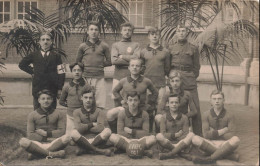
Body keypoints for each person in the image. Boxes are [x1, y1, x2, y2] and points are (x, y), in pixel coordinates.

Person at [169, 23, 202, 136]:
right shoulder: (171, 48)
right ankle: (176, 134)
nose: (181, 33)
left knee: (195, 107)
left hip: (189, 79)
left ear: (186, 33)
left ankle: (198, 135)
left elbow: (196, 67)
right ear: (176, 33)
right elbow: (168, 66)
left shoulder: (193, 48)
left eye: (183, 31)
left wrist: (190, 76)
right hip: (175, 80)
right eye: (179, 31)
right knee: (175, 106)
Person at [109, 58, 158, 132]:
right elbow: (115, 91)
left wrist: (149, 103)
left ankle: (148, 132)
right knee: (110, 114)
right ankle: (115, 132)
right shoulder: (123, 81)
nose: (134, 67)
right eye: (132, 65)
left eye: (137, 66)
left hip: (141, 108)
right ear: (129, 68)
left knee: (150, 113)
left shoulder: (146, 81)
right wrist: (121, 100)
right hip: (127, 108)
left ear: (141, 68)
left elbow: (155, 92)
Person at [19, 31, 65, 110]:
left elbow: (61, 72)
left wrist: (59, 88)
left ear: (51, 42)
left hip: (52, 87)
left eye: (47, 39)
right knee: (37, 111)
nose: (45, 42)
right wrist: (33, 71)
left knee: (52, 111)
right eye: (43, 39)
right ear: (39, 42)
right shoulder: (34, 55)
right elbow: (21, 64)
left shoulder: (57, 56)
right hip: (38, 87)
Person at [191, 90, 240, 164]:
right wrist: (223, 130)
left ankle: (208, 158)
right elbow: (206, 135)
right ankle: (228, 155)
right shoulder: (206, 114)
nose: (217, 101)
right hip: (211, 142)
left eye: (219, 99)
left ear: (223, 100)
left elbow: (231, 135)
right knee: (194, 139)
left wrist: (213, 132)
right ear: (210, 101)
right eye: (214, 99)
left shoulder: (230, 115)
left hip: (224, 143)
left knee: (236, 139)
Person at [19, 89, 70, 160]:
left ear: (52, 100)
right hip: (38, 143)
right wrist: (45, 138)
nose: (46, 101)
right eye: (43, 99)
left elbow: (62, 131)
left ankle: (38, 154)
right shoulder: (32, 115)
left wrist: (46, 133)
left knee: (67, 137)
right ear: (39, 100)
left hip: (54, 142)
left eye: (48, 98)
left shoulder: (59, 114)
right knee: (23, 141)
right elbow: (30, 134)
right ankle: (52, 154)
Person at [108, 91, 156, 158]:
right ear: (127, 101)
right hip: (126, 139)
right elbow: (120, 132)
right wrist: (136, 133)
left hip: (139, 140)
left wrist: (131, 131)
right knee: (112, 137)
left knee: (152, 138)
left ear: (139, 101)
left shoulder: (144, 114)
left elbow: (146, 133)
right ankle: (143, 151)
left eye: (135, 100)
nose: (133, 103)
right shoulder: (122, 113)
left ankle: (124, 149)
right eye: (130, 100)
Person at [76, 21, 111, 109]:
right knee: (86, 100)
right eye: (91, 29)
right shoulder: (82, 46)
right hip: (86, 77)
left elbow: (109, 61)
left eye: (96, 30)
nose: (93, 32)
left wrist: (99, 64)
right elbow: (78, 61)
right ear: (87, 31)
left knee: (100, 101)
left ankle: (97, 120)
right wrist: (85, 65)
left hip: (99, 77)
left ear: (99, 32)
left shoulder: (104, 46)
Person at [140, 27, 171, 127]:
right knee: (148, 107)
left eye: (156, 34)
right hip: (147, 85)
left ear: (159, 36)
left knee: (160, 108)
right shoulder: (143, 51)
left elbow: (167, 69)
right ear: (148, 36)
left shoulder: (165, 52)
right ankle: (148, 131)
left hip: (160, 84)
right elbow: (141, 68)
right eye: (152, 34)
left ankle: (158, 131)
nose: (154, 36)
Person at [70, 89, 113, 156]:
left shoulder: (99, 111)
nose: (88, 100)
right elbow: (78, 128)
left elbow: (100, 128)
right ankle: (98, 150)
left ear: (93, 99)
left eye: (90, 98)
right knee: (73, 133)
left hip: (96, 138)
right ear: (81, 98)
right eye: (86, 97)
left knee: (108, 131)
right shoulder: (76, 112)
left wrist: (83, 127)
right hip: (82, 138)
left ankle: (84, 149)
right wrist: (92, 124)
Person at [156, 94, 195, 160]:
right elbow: (163, 133)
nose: (174, 104)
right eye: (171, 102)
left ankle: (169, 154)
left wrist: (178, 140)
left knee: (191, 134)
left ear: (179, 104)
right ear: (168, 104)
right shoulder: (164, 117)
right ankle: (180, 153)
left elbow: (185, 134)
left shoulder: (184, 117)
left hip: (180, 143)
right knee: (158, 136)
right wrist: (175, 135)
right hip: (168, 142)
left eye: (176, 102)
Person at [111, 22, 140, 106]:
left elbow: (137, 59)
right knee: (117, 99)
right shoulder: (116, 45)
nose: (127, 32)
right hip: (118, 76)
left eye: (129, 30)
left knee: (132, 100)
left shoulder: (136, 45)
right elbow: (114, 61)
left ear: (132, 32)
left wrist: (122, 56)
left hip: (131, 77)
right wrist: (131, 59)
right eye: (125, 30)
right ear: (121, 31)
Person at [59, 62, 92, 135]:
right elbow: (61, 101)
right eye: (74, 70)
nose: (77, 72)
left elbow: (91, 101)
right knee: (70, 138)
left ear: (82, 72)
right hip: (70, 115)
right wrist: (70, 105)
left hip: (83, 116)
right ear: (71, 72)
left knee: (82, 137)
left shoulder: (87, 86)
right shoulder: (67, 86)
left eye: (79, 70)